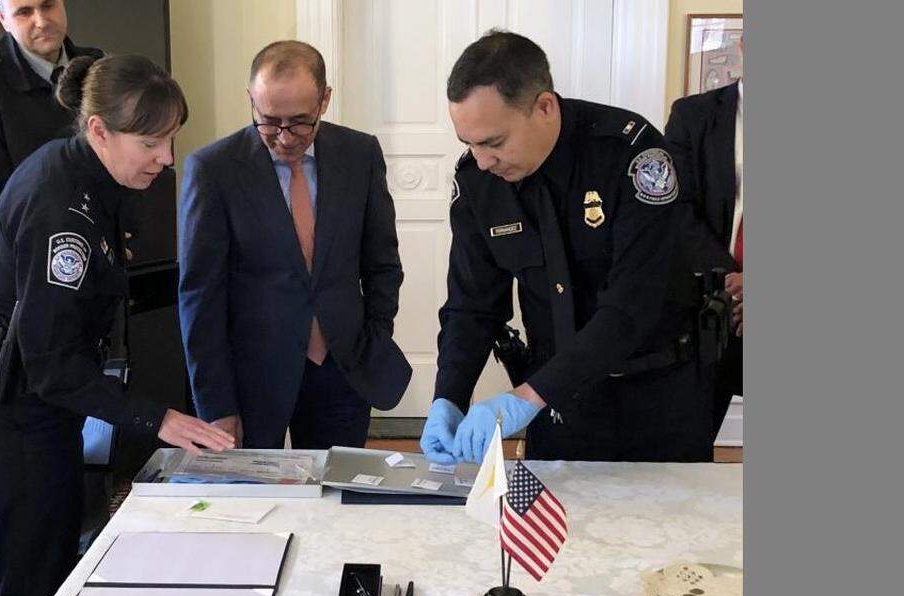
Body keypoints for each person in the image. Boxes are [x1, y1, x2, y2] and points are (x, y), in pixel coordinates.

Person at [0, 54, 235, 596]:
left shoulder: (81, 170)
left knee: (54, 567)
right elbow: (52, 364)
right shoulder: (61, 210)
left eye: (171, 139)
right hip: (13, 420)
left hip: (38, 412)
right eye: (150, 143)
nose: (166, 158)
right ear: (99, 129)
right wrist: (158, 418)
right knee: (29, 591)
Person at [420, 30, 715, 464]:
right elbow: (472, 305)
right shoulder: (479, 182)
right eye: (469, 144)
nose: (482, 160)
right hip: (557, 404)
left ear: (544, 107)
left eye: (493, 143)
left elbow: (631, 306)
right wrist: (449, 395)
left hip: (656, 395)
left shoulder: (630, 156)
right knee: (557, 507)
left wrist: (527, 397)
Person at [178, 40, 411, 450]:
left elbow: (382, 263)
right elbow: (200, 297)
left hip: (343, 366)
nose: (284, 138)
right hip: (252, 377)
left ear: (324, 100)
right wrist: (216, 404)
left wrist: (374, 337)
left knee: (337, 485)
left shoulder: (360, 154)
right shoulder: (213, 170)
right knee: (254, 488)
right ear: (251, 100)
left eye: (301, 122)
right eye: (269, 121)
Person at [0, 0, 102, 296]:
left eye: (48, 5)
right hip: (16, 261)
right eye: (24, 12)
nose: (41, 20)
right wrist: (56, 250)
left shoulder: (97, 69)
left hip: (95, 249)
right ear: (2, 18)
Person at [664, 37, 744, 436]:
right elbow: (673, 208)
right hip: (710, 306)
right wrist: (731, 282)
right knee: (687, 440)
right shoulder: (693, 116)